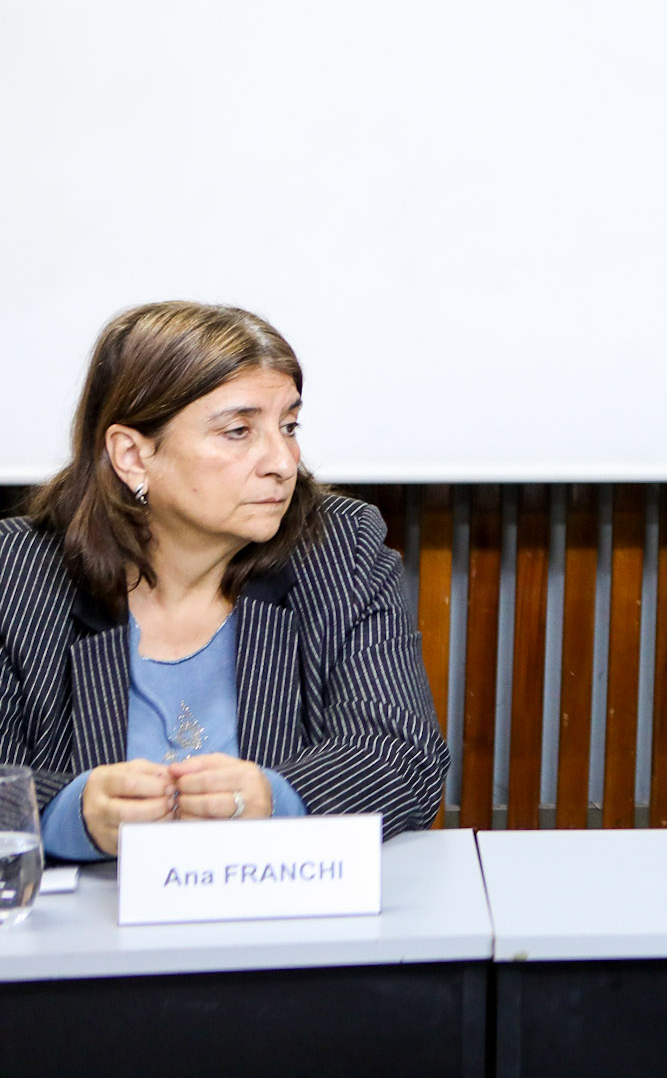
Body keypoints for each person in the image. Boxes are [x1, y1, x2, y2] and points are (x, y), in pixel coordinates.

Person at [0, 302, 449, 858]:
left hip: (278, 902)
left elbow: (402, 755)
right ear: (133, 455)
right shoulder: (17, 571)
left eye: (288, 427)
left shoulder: (337, 547)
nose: (283, 462)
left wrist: (274, 800)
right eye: (238, 431)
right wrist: (72, 814)